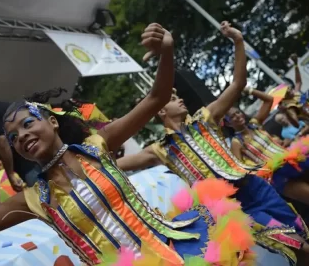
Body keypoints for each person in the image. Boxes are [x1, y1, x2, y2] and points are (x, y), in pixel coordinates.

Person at [0, 23, 254, 266]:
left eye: (27, 124)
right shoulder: (33, 199)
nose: (21, 136)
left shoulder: (98, 146)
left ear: (51, 121)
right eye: (12, 137)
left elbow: (157, 97)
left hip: (181, 252)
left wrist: (167, 51)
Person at [117, 22, 309, 265]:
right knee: (297, 246)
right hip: (238, 209)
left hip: (257, 188)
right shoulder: (159, 150)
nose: (180, 100)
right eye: (173, 99)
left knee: (300, 242)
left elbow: (237, 84)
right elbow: (114, 165)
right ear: (160, 110)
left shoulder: (205, 119)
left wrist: (238, 41)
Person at [226, 87, 309, 208]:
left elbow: (269, 100)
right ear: (228, 123)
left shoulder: (255, 124)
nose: (237, 116)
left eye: (238, 112)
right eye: (232, 117)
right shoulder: (236, 142)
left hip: (294, 161)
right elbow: (240, 171)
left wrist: (247, 89)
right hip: (278, 176)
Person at [278, 53, 308, 127]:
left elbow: (298, 82)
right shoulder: (290, 108)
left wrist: (295, 64)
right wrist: (286, 113)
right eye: (288, 92)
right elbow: (296, 125)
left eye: (290, 89)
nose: (291, 90)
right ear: (284, 97)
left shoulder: (295, 94)